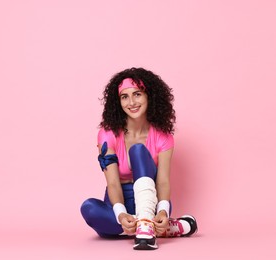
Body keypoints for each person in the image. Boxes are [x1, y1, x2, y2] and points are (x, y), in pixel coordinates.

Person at [80, 67, 197, 250]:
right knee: (88, 208)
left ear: (149, 96)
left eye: (137, 94)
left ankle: (147, 223)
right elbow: (112, 183)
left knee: (138, 151)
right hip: (118, 206)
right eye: (124, 97)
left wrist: (163, 210)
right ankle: (156, 227)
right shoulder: (107, 134)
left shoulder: (163, 136)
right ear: (118, 101)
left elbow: (163, 181)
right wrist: (120, 213)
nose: (131, 102)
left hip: (152, 201)